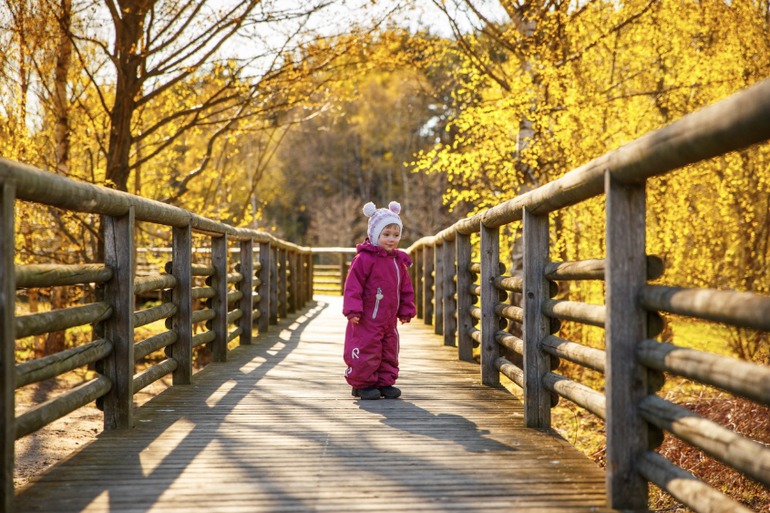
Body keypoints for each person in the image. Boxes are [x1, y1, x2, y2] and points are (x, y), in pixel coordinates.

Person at [342, 201, 416, 400]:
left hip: (388, 318)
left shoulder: (397, 261)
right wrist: (353, 310)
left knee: (388, 348)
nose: (391, 239)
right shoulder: (364, 259)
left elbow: (405, 288)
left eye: (396, 235)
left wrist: (406, 310)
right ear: (375, 235)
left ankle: (384, 382)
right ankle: (361, 384)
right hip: (366, 317)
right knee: (367, 347)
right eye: (386, 235)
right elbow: (353, 286)